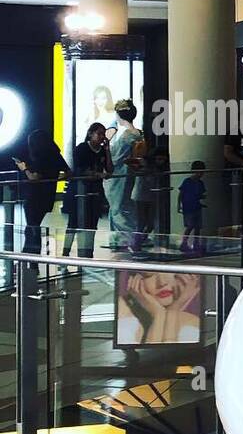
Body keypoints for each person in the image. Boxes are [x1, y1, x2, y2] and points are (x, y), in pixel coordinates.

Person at [14, 129, 70, 254]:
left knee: (32, 228)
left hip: (34, 197)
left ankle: (30, 258)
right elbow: (68, 172)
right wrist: (53, 178)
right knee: (35, 227)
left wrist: (24, 168)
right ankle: (31, 258)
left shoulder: (39, 156)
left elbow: (35, 178)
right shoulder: (55, 155)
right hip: (49, 196)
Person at [62, 122, 109, 257]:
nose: (102, 137)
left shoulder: (102, 151)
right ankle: (66, 253)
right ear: (90, 133)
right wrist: (96, 174)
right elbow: (80, 169)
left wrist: (107, 150)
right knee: (73, 222)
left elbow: (110, 169)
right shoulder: (81, 148)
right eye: (99, 134)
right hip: (78, 191)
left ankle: (88, 253)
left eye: (103, 134)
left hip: (95, 191)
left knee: (92, 223)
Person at [118, 271, 201, 344]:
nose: (162, 282)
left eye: (170, 271)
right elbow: (149, 357)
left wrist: (171, 311)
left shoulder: (192, 322)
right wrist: (159, 314)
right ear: (133, 280)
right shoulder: (122, 308)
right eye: (149, 275)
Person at [104, 99, 145, 251]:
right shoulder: (138, 133)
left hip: (120, 175)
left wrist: (107, 148)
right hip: (129, 174)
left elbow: (116, 158)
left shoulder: (127, 136)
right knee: (125, 206)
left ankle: (124, 241)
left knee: (119, 208)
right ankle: (128, 240)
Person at [178, 160, 206, 252]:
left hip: (196, 206)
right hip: (189, 207)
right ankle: (184, 243)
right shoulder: (187, 181)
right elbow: (181, 194)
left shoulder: (200, 183)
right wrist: (179, 205)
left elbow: (198, 195)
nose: (201, 173)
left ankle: (196, 243)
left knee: (197, 226)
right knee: (190, 226)